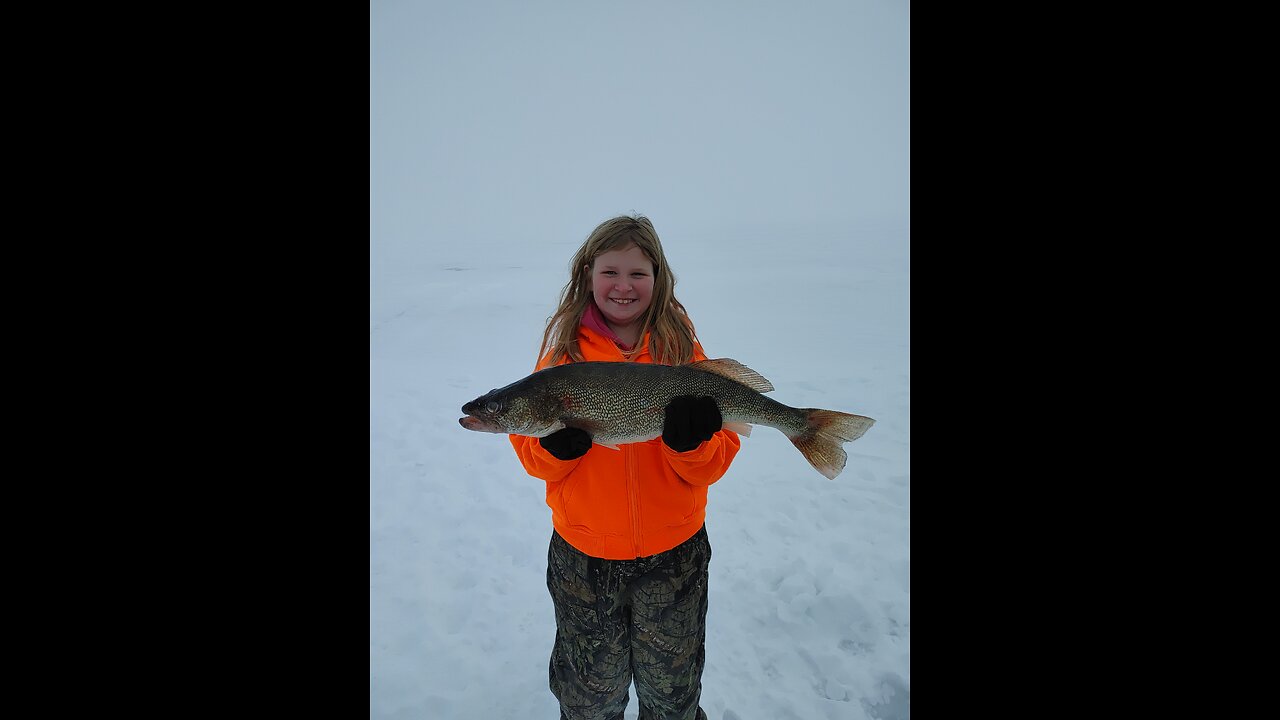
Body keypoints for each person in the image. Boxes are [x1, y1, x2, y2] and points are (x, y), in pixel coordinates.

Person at [510, 215, 740, 720]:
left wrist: (691, 445)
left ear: (658, 278)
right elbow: (530, 454)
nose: (623, 286)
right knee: (589, 696)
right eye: (610, 271)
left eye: (637, 273)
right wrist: (554, 450)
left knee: (672, 694)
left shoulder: (684, 357)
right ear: (588, 274)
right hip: (584, 558)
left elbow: (712, 465)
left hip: (674, 555)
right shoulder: (562, 360)